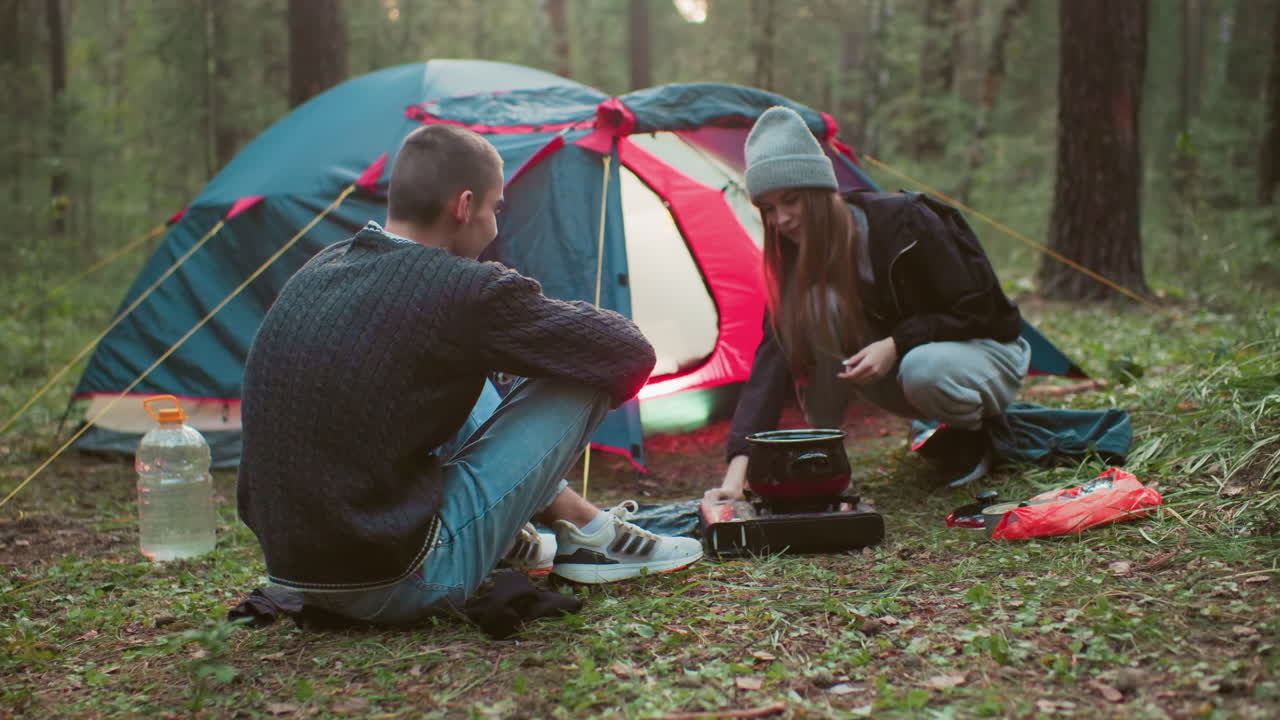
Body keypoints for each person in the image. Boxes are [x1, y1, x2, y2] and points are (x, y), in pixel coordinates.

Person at [237, 124, 702, 626]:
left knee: (459, 357)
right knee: (584, 363)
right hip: (399, 578)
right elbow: (626, 351)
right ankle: (590, 536)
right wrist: (516, 307)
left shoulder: (319, 268)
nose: (496, 228)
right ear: (463, 206)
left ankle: (570, 520)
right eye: (495, 208)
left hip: (294, 574)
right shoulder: (462, 291)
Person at [705, 106, 1029, 503]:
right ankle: (821, 454)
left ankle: (974, 438)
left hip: (986, 356)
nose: (781, 220)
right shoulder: (794, 261)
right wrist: (737, 472)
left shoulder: (907, 223)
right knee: (811, 315)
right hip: (902, 371)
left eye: (791, 200)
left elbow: (986, 314)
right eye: (768, 209)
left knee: (923, 367)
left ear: (820, 193)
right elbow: (772, 359)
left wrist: (896, 343)